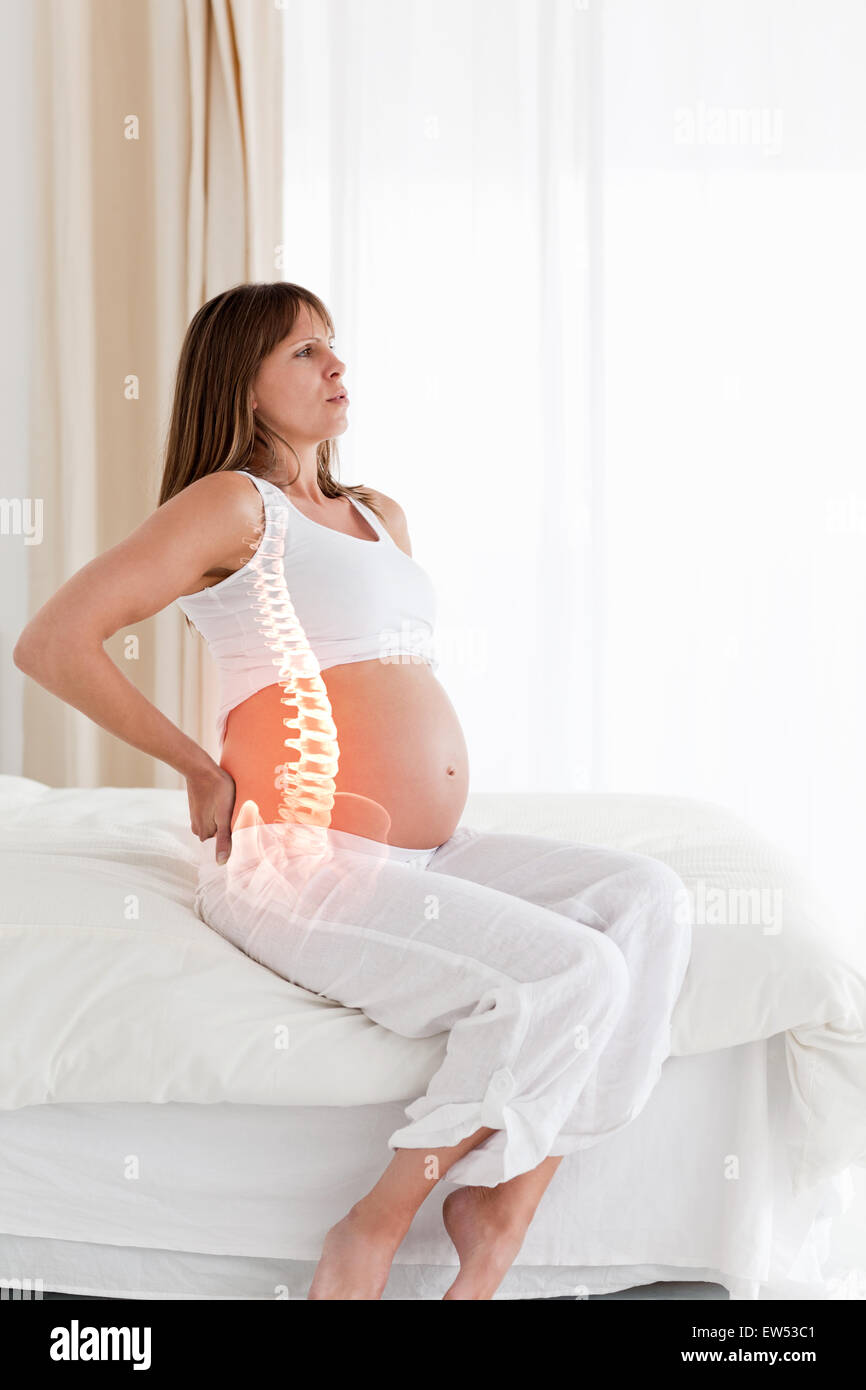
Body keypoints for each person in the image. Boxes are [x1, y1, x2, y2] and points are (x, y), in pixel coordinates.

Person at [13, 281, 693, 1301]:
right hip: (299, 861)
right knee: (570, 975)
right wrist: (197, 767)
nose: (335, 366)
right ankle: (375, 1220)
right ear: (241, 386)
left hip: (424, 849)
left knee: (650, 901)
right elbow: (52, 641)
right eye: (302, 353)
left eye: (334, 345)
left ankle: (506, 1198)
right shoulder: (235, 505)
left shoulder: (379, 514)